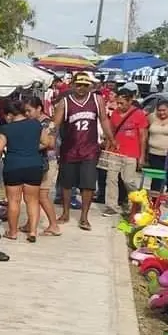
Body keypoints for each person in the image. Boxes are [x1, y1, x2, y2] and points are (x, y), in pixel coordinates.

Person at [53, 71, 114, 231]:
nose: (81, 88)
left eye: (85, 85)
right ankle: (65, 213)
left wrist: (111, 138)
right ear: (72, 85)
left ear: (90, 86)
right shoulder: (65, 102)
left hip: (89, 149)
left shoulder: (96, 99)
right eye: (78, 85)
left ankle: (84, 217)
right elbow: (56, 124)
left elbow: (104, 119)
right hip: (70, 149)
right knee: (66, 184)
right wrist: (50, 140)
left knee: (88, 184)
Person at [0, 100, 54, 242]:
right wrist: (31, 149)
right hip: (34, 165)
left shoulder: (6, 129)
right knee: (32, 201)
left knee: (14, 201)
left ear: (9, 115)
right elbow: (46, 142)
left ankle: (13, 232)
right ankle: (32, 232)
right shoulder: (36, 124)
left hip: (13, 166)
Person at [102, 83, 149, 216]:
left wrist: (142, 156)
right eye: (118, 103)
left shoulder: (139, 114)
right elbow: (110, 132)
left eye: (122, 103)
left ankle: (134, 203)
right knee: (111, 179)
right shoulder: (115, 113)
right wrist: (107, 148)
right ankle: (111, 206)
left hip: (131, 153)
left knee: (128, 180)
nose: (119, 106)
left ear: (130, 101)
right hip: (114, 152)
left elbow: (142, 137)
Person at [21, 96, 61, 236]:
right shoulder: (32, 122)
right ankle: (30, 223)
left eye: (29, 110)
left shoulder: (48, 124)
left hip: (47, 163)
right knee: (33, 196)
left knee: (42, 195)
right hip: (36, 162)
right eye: (25, 111)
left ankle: (54, 225)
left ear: (39, 108)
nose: (27, 114)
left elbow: (50, 143)